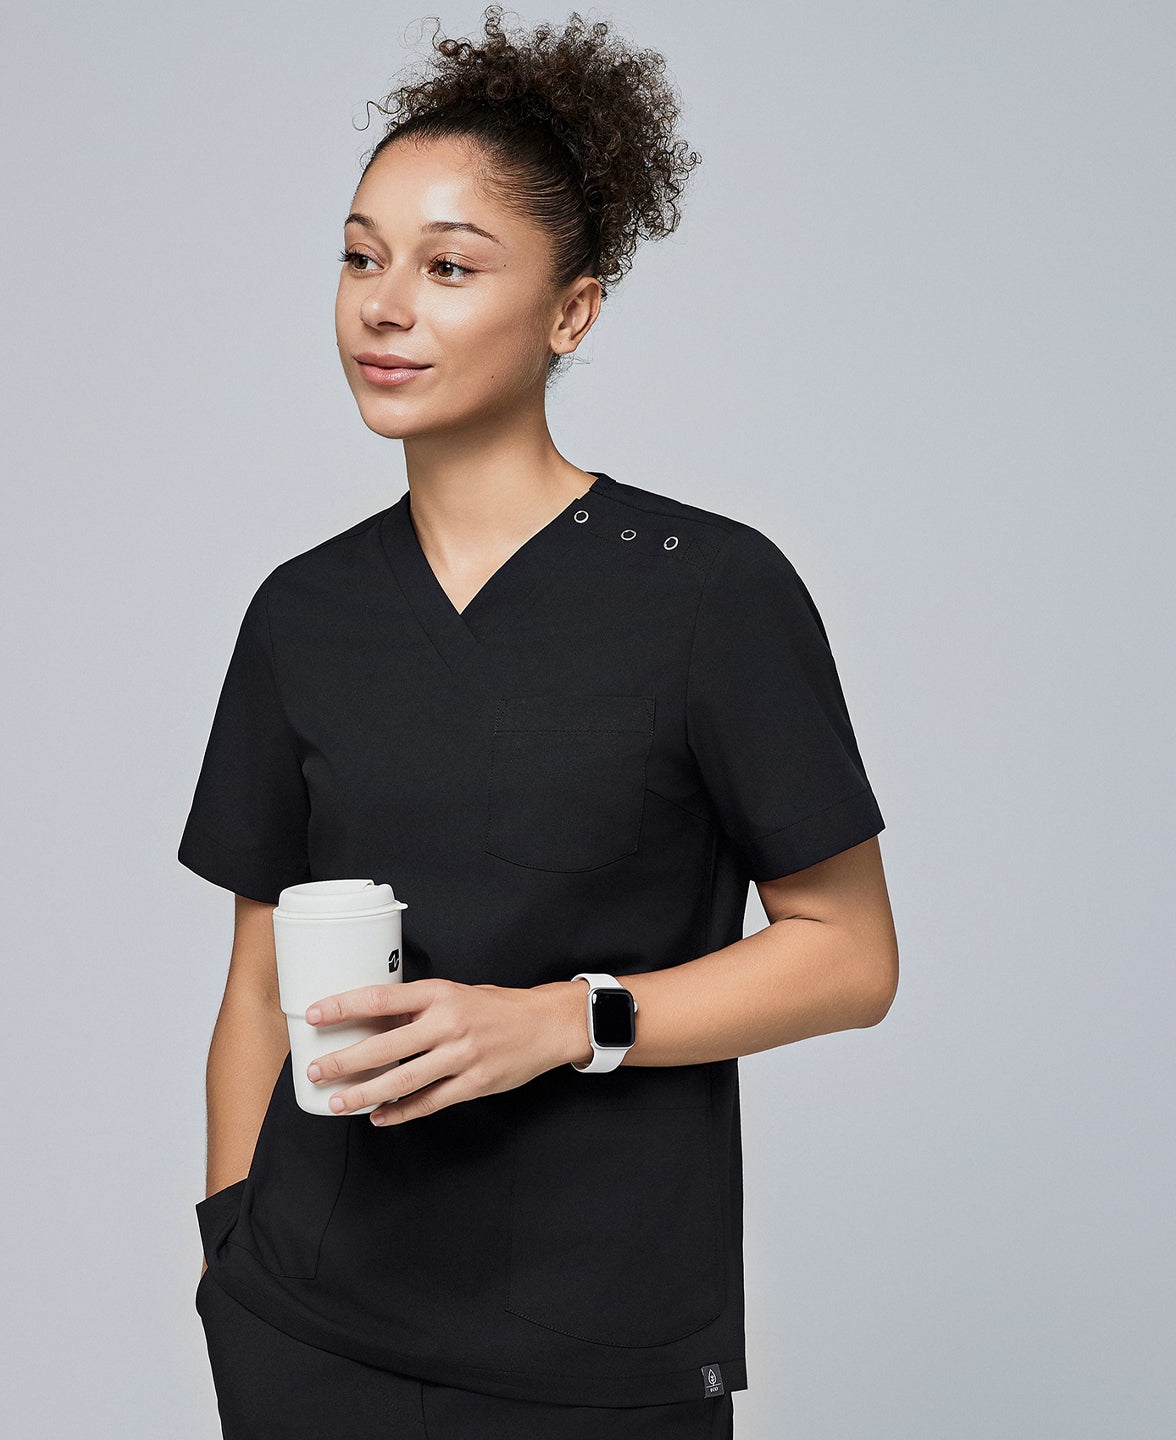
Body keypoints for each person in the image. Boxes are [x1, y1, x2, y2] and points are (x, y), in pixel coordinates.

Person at [178, 8, 899, 1437]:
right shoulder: (300, 614)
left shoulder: (714, 593)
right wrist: (229, 1253)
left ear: (572, 312)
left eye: (449, 267)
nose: (386, 306)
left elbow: (852, 958)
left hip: (600, 1353)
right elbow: (257, 980)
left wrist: (568, 1022)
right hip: (308, 1334)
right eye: (360, 255)